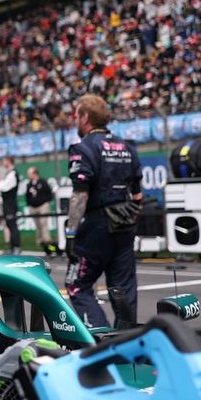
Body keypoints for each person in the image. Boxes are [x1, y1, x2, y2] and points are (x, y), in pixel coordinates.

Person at [64, 94, 142, 328]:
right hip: (125, 224)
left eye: (76, 115)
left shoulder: (82, 148)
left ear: (86, 117)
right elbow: (138, 195)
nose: (75, 120)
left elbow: (80, 194)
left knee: (76, 284)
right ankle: (126, 342)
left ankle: (99, 340)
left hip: (97, 226)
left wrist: (70, 233)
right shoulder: (127, 147)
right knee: (123, 288)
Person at [25, 166, 55, 255]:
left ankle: (47, 240)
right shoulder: (29, 184)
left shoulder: (43, 182)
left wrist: (45, 202)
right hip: (33, 207)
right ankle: (39, 241)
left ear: (34, 173)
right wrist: (30, 204)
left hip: (42, 206)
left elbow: (49, 194)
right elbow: (27, 196)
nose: (29, 176)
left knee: (43, 223)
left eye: (30, 174)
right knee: (37, 225)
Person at [0, 156, 21, 254]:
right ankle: (12, 247)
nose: (3, 163)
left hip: (10, 204)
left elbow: (2, 187)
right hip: (7, 204)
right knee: (9, 225)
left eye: (4, 161)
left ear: (9, 161)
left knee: (13, 226)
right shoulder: (8, 173)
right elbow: (0, 186)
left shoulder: (13, 173)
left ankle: (16, 247)